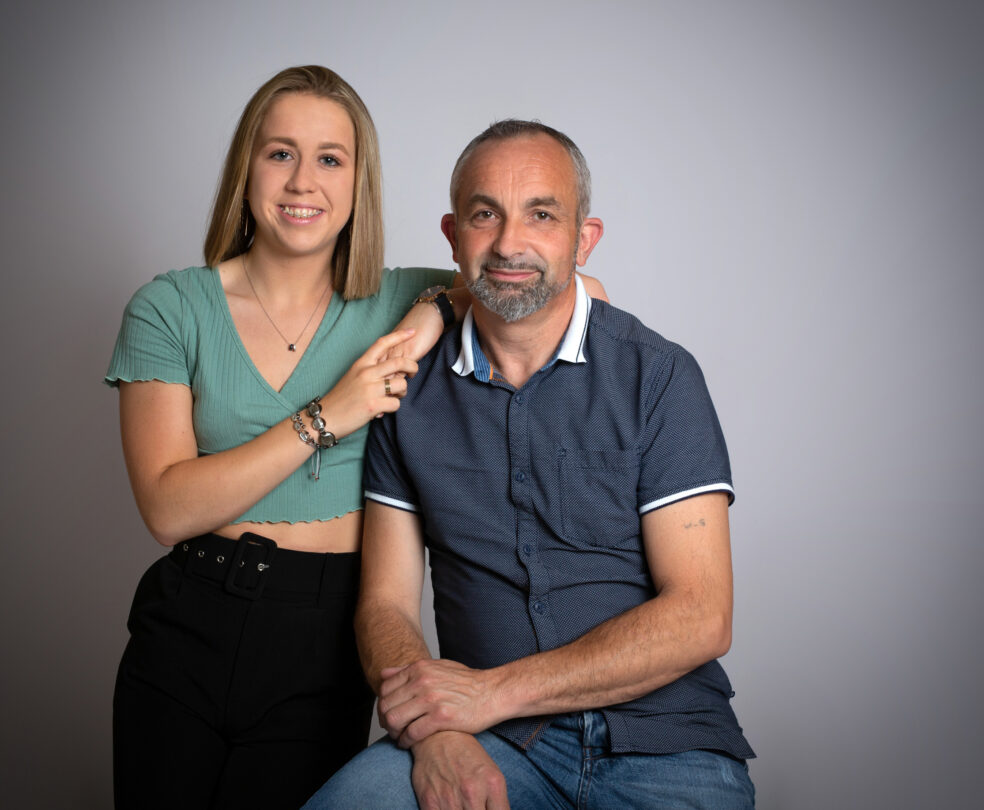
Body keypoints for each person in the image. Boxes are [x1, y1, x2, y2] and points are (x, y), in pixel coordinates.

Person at [306, 120, 755, 809]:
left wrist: (489, 694)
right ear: (454, 236)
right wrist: (436, 732)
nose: (510, 242)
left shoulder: (658, 376)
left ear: (584, 238)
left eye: (541, 214)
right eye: (486, 215)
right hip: (487, 743)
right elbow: (386, 604)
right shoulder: (405, 393)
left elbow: (701, 614)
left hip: (669, 744)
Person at [103, 65, 469, 809]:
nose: (303, 181)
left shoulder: (399, 298)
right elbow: (169, 509)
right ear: (247, 169)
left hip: (328, 633)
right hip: (190, 618)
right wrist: (330, 414)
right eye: (280, 153)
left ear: (357, 182)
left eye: (330, 158)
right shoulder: (170, 307)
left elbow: (570, 291)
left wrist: (436, 310)